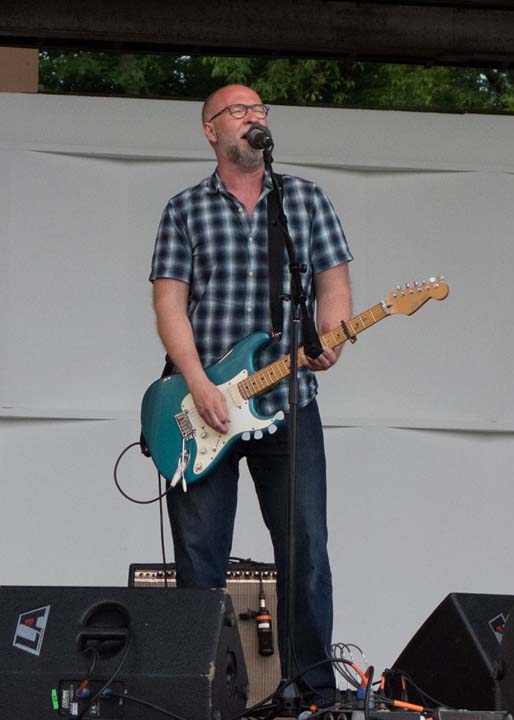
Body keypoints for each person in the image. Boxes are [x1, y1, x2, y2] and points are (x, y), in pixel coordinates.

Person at [149, 84, 353, 705]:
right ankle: (203, 692)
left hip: (288, 400)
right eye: (238, 110)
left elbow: (333, 286)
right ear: (211, 131)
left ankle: (312, 693)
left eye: (259, 109)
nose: (253, 117)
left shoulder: (305, 202)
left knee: (306, 553)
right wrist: (198, 382)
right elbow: (169, 305)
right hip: (202, 405)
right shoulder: (184, 208)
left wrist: (332, 339)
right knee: (199, 561)